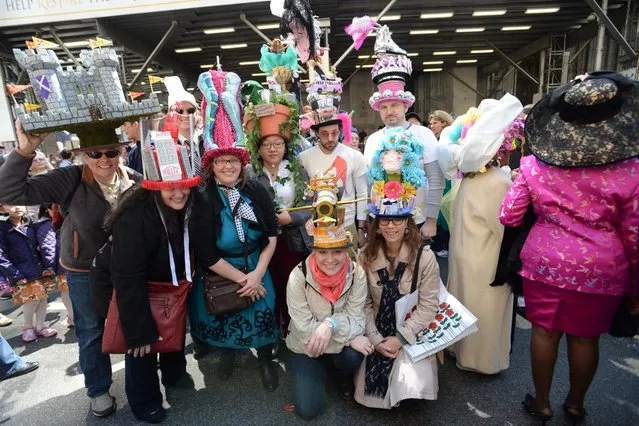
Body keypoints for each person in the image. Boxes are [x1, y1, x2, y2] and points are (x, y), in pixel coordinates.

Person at [499, 73, 639, 423]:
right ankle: (575, 404)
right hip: (602, 267)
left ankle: (542, 403)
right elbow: (635, 235)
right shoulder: (630, 171)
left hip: (544, 262)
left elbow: (509, 215)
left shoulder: (534, 166)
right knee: (586, 339)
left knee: (544, 332)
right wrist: (635, 287)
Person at [0, 119, 139, 417]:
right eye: (95, 153)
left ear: (121, 153)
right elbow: (8, 191)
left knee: (132, 321)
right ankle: (98, 389)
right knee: (90, 329)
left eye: (111, 152)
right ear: (83, 155)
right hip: (82, 268)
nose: (104, 159)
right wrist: (25, 151)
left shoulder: (134, 179)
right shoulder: (69, 179)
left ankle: (140, 382)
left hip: (125, 267)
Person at [91, 132, 200, 423]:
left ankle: (175, 375)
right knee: (141, 345)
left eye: (183, 187)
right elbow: (127, 279)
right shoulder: (135, 217)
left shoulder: (188, 205)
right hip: (127, 286)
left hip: (166, 284)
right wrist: (137, 331)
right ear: (154, 188)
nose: (178, 193)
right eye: (169, 188)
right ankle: (144, 400)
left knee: (171, 327)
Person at [355, 128, 440, 408]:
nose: (391, 226)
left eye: (398, 220)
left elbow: (429, 306)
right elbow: (362, 304)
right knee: (372, 396)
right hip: (376, 326)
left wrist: (400, 338)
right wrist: (377, 339)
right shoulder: (363, 257)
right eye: (384, 220)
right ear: (376, 225)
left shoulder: (425, 258)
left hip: (409, 327)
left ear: (408, 223)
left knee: (413, 390)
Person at [441, 95, 523, 375]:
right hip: (487, 258)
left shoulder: (470, 178)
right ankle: (483, 363)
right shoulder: (498, 181)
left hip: (465, 253)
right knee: (484, 310)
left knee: (464, 302)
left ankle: (458, 351)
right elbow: (504, 229)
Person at [190, 143, 280, 391]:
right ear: (212, 166)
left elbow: (271, 235)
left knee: (262, 313)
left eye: (233, 161)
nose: (228, 166)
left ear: (242, 165)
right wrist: (245, 282)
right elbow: (206, 254)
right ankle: (228, 353)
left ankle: (264, 360)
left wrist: (257, 275)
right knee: (226, 312)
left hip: (256, 262)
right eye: (221, 161)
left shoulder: (255, 189)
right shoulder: (204, 196)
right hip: (221, 267)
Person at [286, 187, 369, 420]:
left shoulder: (357, 273)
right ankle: (323, 367)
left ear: (346, 251)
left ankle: (338, 371)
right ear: (313, 251)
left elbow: (358, 318)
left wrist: (330, 324)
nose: (330, 260)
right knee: (308, 410)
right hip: (306, 347)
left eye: (338, 251)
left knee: (354, 355)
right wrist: (348, 335)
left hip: (332, 339)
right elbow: (303, 328)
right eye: (322, 252)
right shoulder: (298, 276)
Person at [363, 28, 444, 240]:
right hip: (381, 221)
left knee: (415, 271)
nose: (389, 111)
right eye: (384, 107)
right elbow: (369, 184)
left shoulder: (423, 134)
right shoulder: (373, 140)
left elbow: (435, 179)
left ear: (405, 106)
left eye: (395, 105)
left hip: (415, 221)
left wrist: (432, 220)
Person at [245, 106, 311, 333]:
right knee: (266, 285)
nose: (272, 149)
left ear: (286, 146)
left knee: (292, 285)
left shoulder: (296, 170)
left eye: (278, 144)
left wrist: (290, 216)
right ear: (258, 148)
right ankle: (269, 332)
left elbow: (311, 206)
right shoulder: (249, 172)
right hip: (261, 241)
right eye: (266, 144)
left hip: (292, 240)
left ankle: (292, 328)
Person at [298, 82, 368, 250]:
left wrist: (361, 229)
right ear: (316, 134)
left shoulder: (355, 156)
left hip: (348, 224)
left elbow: (363, 193)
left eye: (334, 133)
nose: (330, 138)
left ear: (340, 130)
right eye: (324, 134)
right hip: (317, 227)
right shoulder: (303, 158)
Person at [0, 204, 58, 342]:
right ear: (2, 208)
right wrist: (15, 275)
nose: (16, 207)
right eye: (11, 204)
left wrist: (48, 266)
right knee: (32, 300)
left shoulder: (32, 224)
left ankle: (40, 327)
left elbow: (44, 244)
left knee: (43, 298)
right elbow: (1, 255)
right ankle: (27, 327)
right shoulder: (3, 228)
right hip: (21, 272)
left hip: (38, 268)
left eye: (19, 203)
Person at [427, 110, 454, 258]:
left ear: (444, 123)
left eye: (435, 122)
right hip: (437, 178)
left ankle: (444, 243)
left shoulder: (448, 139)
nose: (432, 125)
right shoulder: (434, 139)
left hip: (447, 179)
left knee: (444, 211)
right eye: (430, 123)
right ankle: (440, 242)